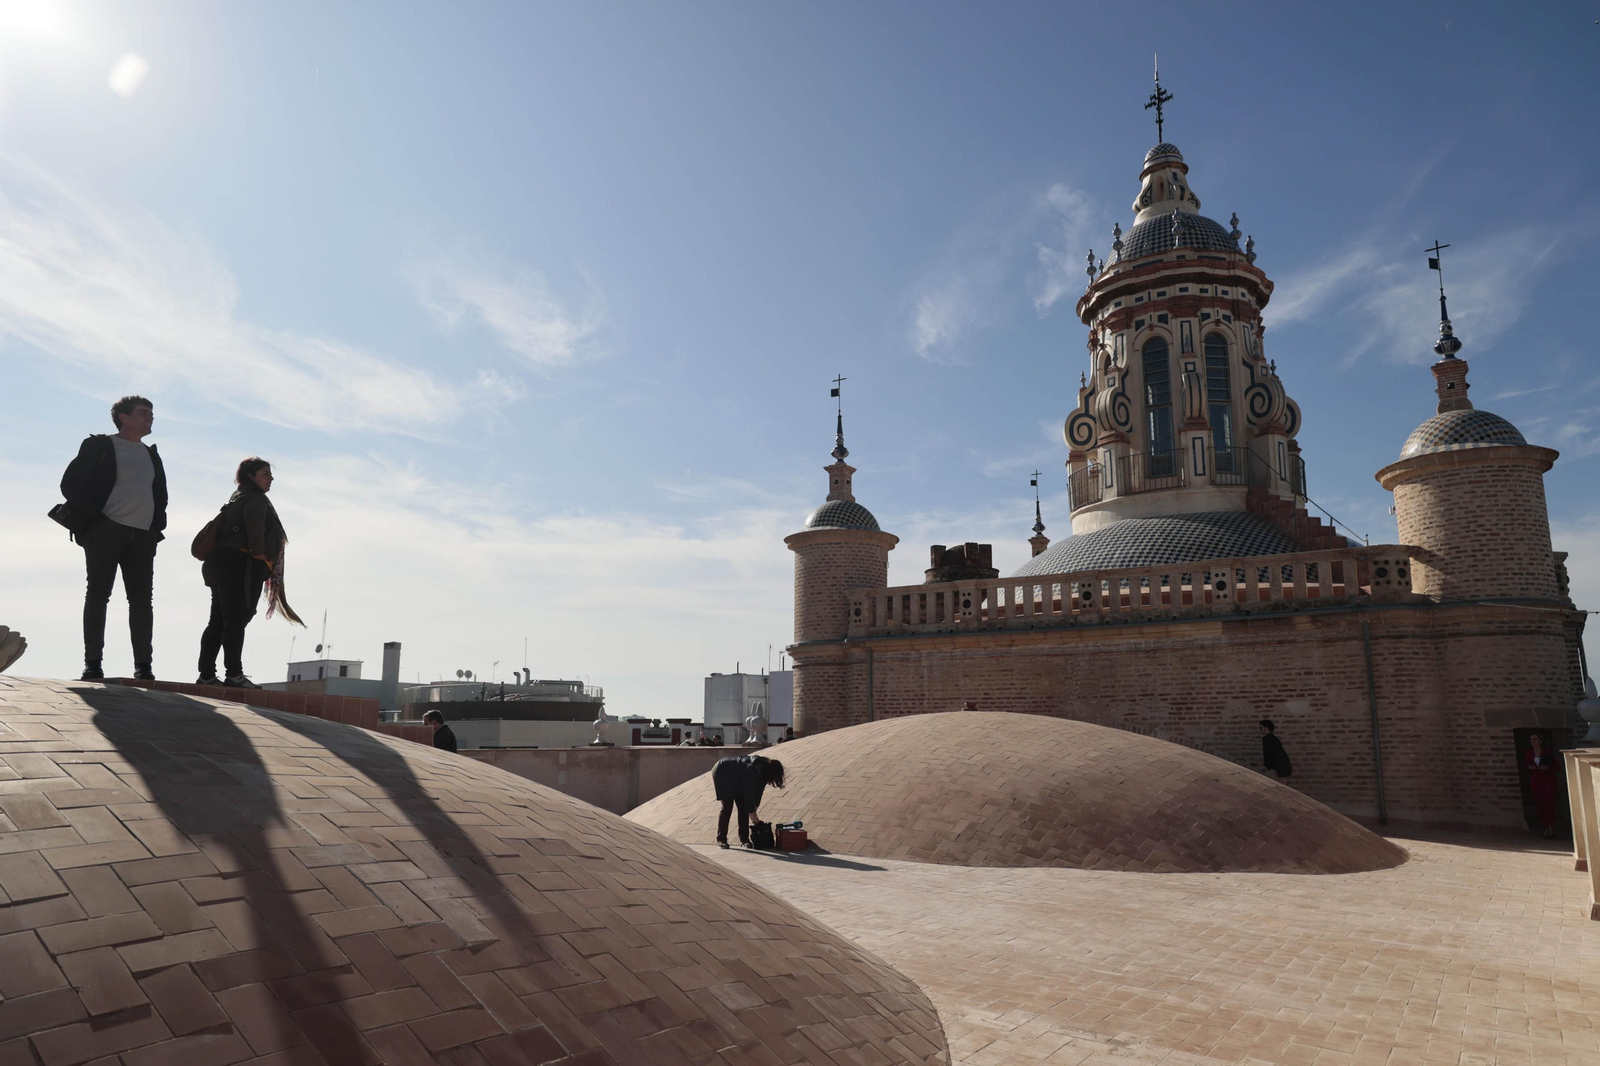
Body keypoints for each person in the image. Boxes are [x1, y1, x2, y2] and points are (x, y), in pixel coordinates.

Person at [60, 396, 168, 680]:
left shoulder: (151, 454)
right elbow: (70, 484)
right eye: (144, 413)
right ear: (123, 417)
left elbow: (161, 496)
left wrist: (155, 529)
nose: (150, 418)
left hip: (143, 536)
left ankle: (143, 667)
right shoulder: (99, 446)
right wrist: (97, 522)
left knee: (142, 601)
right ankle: (92, 663)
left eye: (151, 414)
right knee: (98, 595)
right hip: (105, 532)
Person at [197, 458, 302, 687]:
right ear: (251, 476)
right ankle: (234, 675)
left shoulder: (237, 497)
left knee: (218, 621)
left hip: (221, 564)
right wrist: (260, 554)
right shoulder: (256, 500)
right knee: (235, 621)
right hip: (239, 567)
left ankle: (206, 675)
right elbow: (254, 530)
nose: (270, 478)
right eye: (265, 474)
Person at [711, 753, 785, 849]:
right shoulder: (751, 770)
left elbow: (758, 793)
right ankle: (721, 839)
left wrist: (754, 809)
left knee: (743, 808)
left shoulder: (763, 772)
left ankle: (744, 839)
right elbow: (748, 793)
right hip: (723, 773)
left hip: (738, 778)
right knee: (727, 807)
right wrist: (754, 817)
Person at [1525, 733, 1558, 838]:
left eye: (1535, 739)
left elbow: (1556, 766)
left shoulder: (1547, 752)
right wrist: (1530, 768)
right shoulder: (1529, 753)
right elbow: (1525, 766)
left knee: (1548, 803)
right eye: (1531, 739)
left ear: (1540, 741)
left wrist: (1547, 768)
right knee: (1539, 804)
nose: (1533, 741)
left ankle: (1551, 826)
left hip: (1547, 780)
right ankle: (1545, 827)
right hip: (1536, 780)